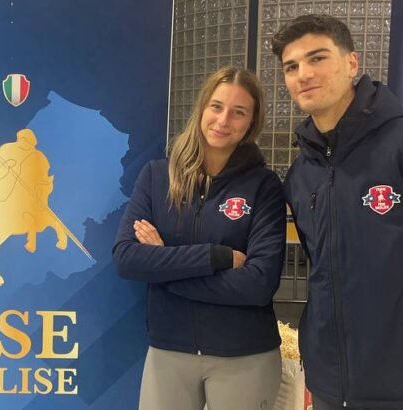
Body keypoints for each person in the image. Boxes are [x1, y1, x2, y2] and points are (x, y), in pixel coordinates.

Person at [272, 14, 403, 410]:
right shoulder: (302, 174)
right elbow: (321, 268)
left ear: (352, 63)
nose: (304, 74)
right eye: (291, 66)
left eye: (317, 58)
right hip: (328, 386)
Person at [113, 66, 286, 409]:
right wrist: (216, 257)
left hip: (245, 356)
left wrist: (165, 270)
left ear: (252, 123)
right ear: (202, 108)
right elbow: (127, 258)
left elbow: (258, 284)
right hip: (169, 352)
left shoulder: (264, 186)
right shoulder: (157, 177)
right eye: (216, 106)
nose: (223, 120)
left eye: (239, 112)